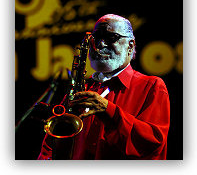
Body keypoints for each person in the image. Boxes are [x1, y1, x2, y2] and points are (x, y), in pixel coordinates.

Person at [38, 14, 170, 160]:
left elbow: (152, 143)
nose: (100, 44)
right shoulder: (81, 88)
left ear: (130, 45)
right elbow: (51, 146)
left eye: (111, 37)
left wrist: (108, 111)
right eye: (96, 38)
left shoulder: (152, 86)